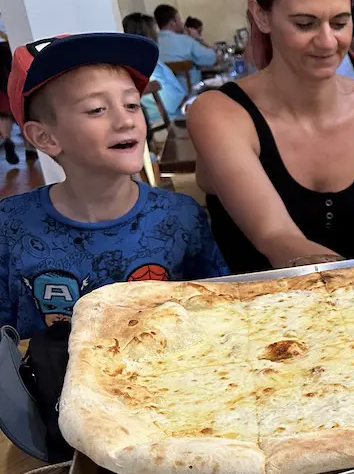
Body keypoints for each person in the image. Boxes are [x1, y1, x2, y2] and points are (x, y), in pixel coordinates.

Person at [186, 0, 354, 272]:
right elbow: (277, 237)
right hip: (250, 313)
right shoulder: (220, 113)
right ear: (261, 15)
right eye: (305, 24)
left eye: (340, 22)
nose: (327, 42)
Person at [0, 32, 227, 337]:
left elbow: (218, 309)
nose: (125, 121)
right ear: (45, 137)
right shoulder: (10, 226)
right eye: (96, 109)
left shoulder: (181, 216)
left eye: (132, 104)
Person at [122, 13, 188, 124]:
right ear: (148, 36)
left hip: (173, 113)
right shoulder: (145, 64)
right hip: (170, 120)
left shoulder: (142, 59)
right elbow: (171, 103)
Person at [154, 3, 218, 88]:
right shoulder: (186, 40)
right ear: (172, 22)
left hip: (164, 96)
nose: (182, 23)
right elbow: (211, 59)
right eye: (179, 19)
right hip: (189, 94)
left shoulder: (152, 43)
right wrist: (197, 38)